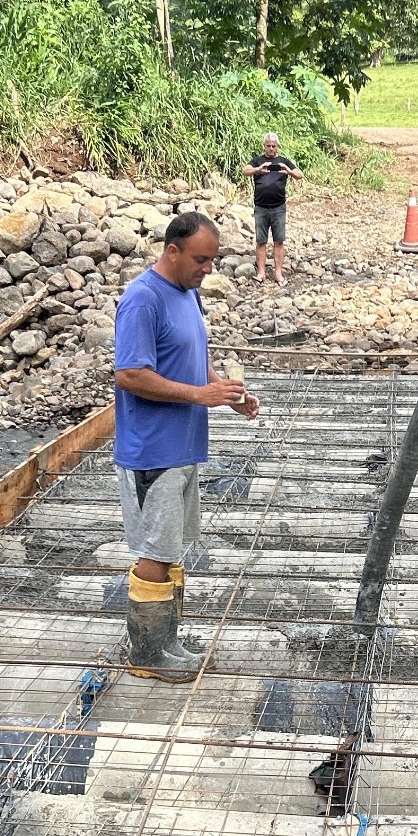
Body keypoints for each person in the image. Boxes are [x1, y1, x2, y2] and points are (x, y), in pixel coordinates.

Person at [113, 211, 259, 683]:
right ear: (171, 251)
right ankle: (148, 655)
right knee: (154, 552)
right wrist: (200, 395)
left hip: (183, 447)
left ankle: (168, 641)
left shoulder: (187, 294)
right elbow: (130, 375)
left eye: (212, 260)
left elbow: (190, 359)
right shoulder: (142, 300)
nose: (208, 269)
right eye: (201, 259)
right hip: (152, 451)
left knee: (172, 548)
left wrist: (223, 392)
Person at [241, 133, 302, 285]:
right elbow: (245, 170)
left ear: (277, 147)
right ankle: (261, 273)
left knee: (278, 241)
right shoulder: (258, 161)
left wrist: (288, 170)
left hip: (278, 208)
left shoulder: (283, 162)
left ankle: (278, 273)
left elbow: (299, 175)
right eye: (268, 146)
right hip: (261, 207)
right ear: (264, 146)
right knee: (261, 241)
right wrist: (258, 170)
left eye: (273, 146)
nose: (271, 149)